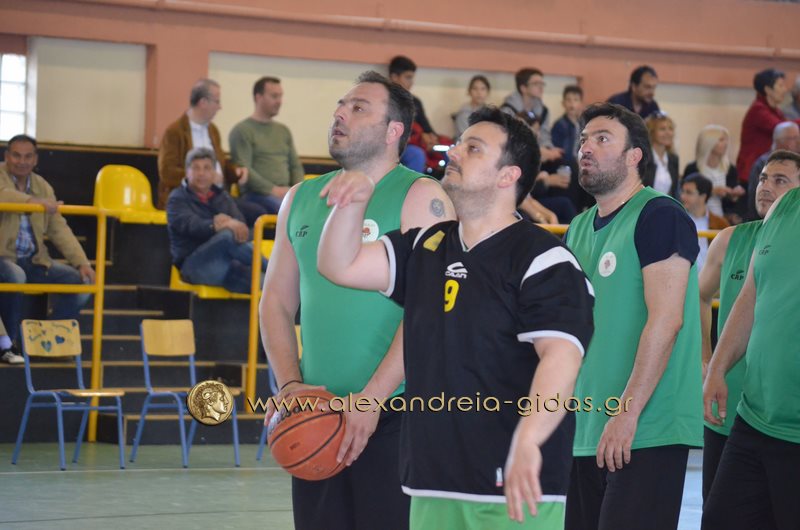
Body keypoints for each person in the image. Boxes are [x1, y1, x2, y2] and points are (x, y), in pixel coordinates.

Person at [318, 106, 595, 529]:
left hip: (514, 487)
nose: (455, 152)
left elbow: (561, 358)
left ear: (508, 175)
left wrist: (529, 438)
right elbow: (339, 265)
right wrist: (351, 204)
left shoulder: (544, 259)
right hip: (431, 482)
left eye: (474, 148)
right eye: (459, 143)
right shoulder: (427, 244)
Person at [260, 71, 455, 530]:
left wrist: (372, 399)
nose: (340, 114)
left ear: (393, 130)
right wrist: (290, 387)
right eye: (340, 105)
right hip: (316, 415)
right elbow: (276, 304)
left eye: (358, 108)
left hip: (395, 414)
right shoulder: (300, 197)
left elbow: (429, 313)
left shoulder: (422, 197)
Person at [564, 103, 703, 530]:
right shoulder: (578, 226)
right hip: (586, 426)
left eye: (602, 139)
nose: (586, 148)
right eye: (584, 139)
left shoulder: (660, 214)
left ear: (634, 156)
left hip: (644, 427)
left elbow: (667, 320)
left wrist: (626, 413)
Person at [702, 150, 800, 529]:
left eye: (780, 179)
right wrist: (716, 366)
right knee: (718, 520)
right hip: (752, 417)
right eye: (763, 178)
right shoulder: (782, 211)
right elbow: (750, 296)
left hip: (795, 429)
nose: (767, 187)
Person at [0, 135, 95, 352]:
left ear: (35, 160)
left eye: (28, 156)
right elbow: (3, 195)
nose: (22, 161)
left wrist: (82, 263)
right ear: (6, 156)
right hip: (3, 259)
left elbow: (58, 229)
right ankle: (8, 346)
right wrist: (33, 202)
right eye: (16, 155)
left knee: (83, 283)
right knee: (16, 276)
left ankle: (43, 342)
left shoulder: (43, 187)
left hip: (36, 261)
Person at [166, 147, 264, 294]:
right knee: (227, 236)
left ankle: (278, 277)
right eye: (196, 168)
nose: (201, 173)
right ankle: (275, 269)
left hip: (226, 266)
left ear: (214, 173)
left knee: (270, 284)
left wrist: (233, 227)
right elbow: (191, 225)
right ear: (187, 172)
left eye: (207, 168)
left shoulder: (222, 196)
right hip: (193, 266)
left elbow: (241, 229)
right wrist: (217, 225)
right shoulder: (177, 198)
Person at [156, 79, 253, 221]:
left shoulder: (213, 130)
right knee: (245, 218)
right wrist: (205, 178)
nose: (220, 107)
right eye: (217, 101)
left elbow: (220, 164)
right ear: (203, 102)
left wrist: (236, 172)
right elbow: (167, 173)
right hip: (190, 199)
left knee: (257, 212)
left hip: (218, 195)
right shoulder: (174, 132)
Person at [229, 76, 305, 214]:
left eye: (280, 96)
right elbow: (245, 169)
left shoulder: (283, 131)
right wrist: (273, 190)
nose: (279, 101)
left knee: (315, 209)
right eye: (274, 96)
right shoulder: (242, 131)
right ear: (258, 97)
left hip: (285, 192)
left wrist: (296, 190)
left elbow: (295, 166)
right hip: (256, 194)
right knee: (292, 211)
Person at [389, 56, 452, 176]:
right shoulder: (385, 100)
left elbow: (427, 128)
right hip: (397, 146)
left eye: (412, 78)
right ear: (394, 77)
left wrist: (431, 139)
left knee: (450, 150)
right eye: (408, 77)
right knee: (416, 155)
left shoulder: (415, 101)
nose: (411, 82)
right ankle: (412, 187)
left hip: (419, 143)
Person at [735, 68, 799, 187]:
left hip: (767, 168)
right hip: (753, 172)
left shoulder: (776, 111)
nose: (785, 90)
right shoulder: (758, 109)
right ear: (768, 90)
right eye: (780, 85)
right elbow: (782, 129)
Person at [683, 125, 744, 223]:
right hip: (695, 218)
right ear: (709, 143)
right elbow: (685, 196)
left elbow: (732, 205)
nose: (726, 143)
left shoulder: (730, 169)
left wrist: (733, 195)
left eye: (726, 140)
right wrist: (712, 192)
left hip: (721, 220)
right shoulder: (693, 169)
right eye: (721, 140)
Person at [502, 68, 562, 162]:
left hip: (538, 154)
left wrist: (548, 148)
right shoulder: (508, 110)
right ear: (523, 88)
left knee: (561, 160)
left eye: (542, 84)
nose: (541, 87)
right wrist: (539, 151)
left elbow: (545, 135)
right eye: (536, 84)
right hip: (514, 156)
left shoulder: (544, 111)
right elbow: (508, 141)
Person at [746, 121, 800, 220]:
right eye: (793, 138)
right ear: (779, 141)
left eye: (780, 181)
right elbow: (754, 208)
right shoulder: (762, 164)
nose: (765, 187)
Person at [679, 173, 730, 271]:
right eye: (683, 191)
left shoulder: (721, 224)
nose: (683, 196)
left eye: (689, 192)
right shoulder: (677, 221)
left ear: (703, 196)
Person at [642, 113, 679, 197]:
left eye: (670, 128)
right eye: (662, 129)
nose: (668, 133)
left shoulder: (673, 159)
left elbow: (674, 192)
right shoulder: (644, 158)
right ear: (652, 132)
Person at [551, 85, 584, 165]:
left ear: (581, 104)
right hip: (565, 164)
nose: (572, 103)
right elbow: (557, 150)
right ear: (563, 103)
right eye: (568, 100)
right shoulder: (559, 125)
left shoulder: (583, 124)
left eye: (575, 100)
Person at [452, 75, 490, 140]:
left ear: (488, 92)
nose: (479, 92)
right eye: (475, 89)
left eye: (483, 89)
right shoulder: (464, 113)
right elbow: (466, 137)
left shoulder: (490, 112)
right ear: (469, 92)